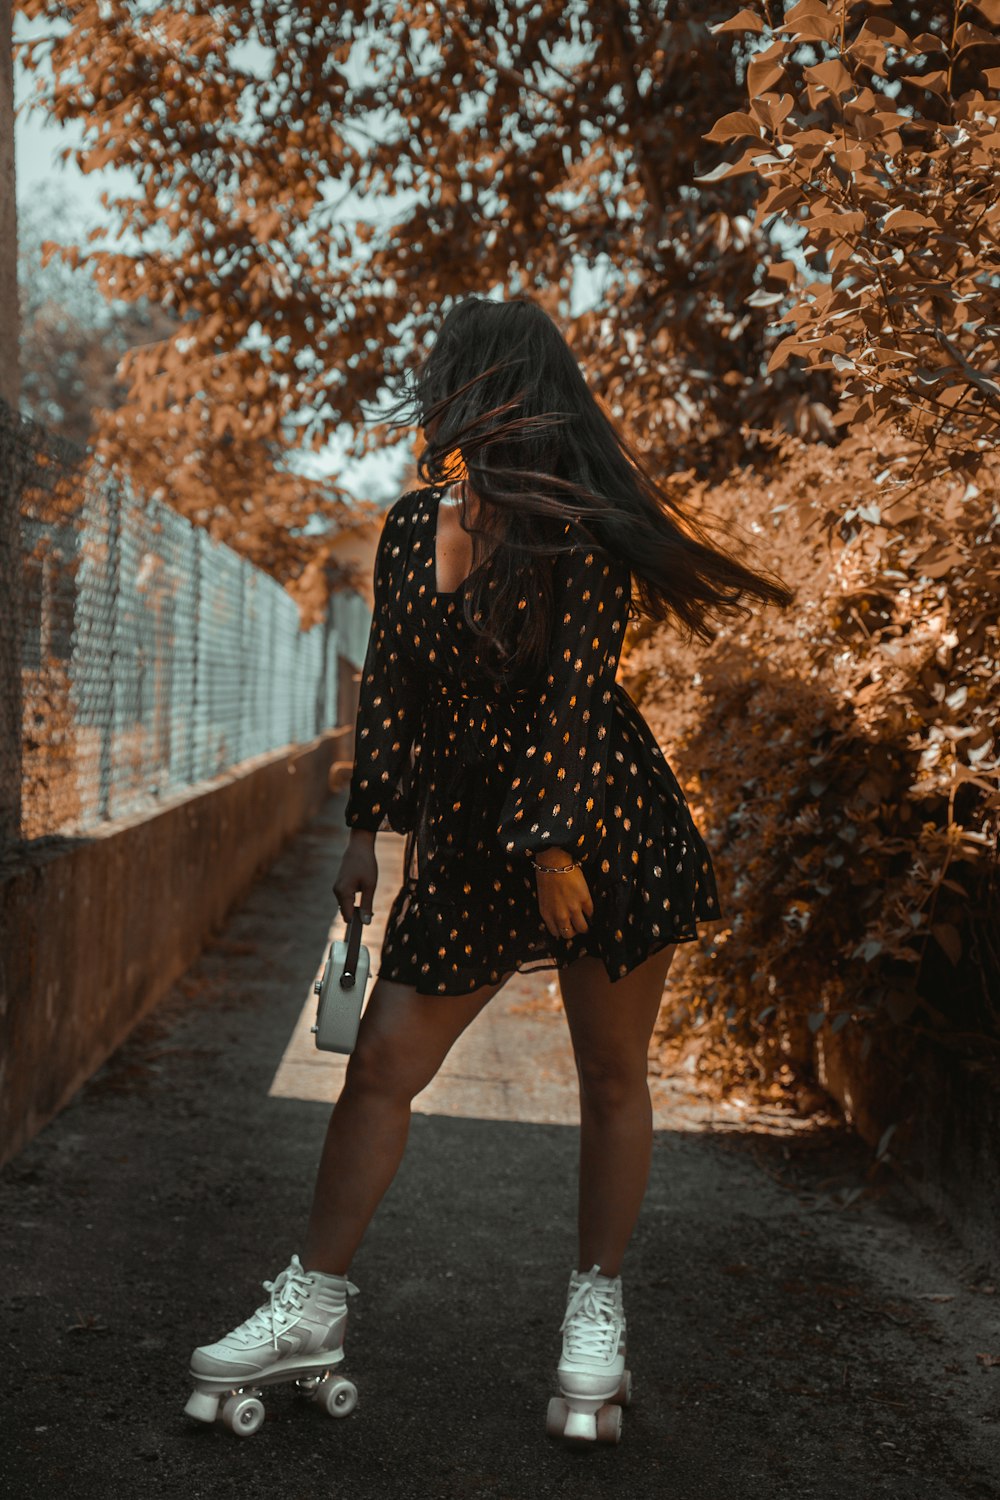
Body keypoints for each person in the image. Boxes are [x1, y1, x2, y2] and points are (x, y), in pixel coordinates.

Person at [185, 294, 794, 1443]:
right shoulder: (414, 527)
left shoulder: (578, 527)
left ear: (496, 387)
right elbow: (401, 693)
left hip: (595, 827)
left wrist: (555, 844)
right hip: (469, 840)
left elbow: (575, 693)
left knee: (610, 1077)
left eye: (455, 375)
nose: (439, 394)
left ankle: (593, 1319)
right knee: (379, 1065)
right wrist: (366, 831)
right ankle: (310, 1305)